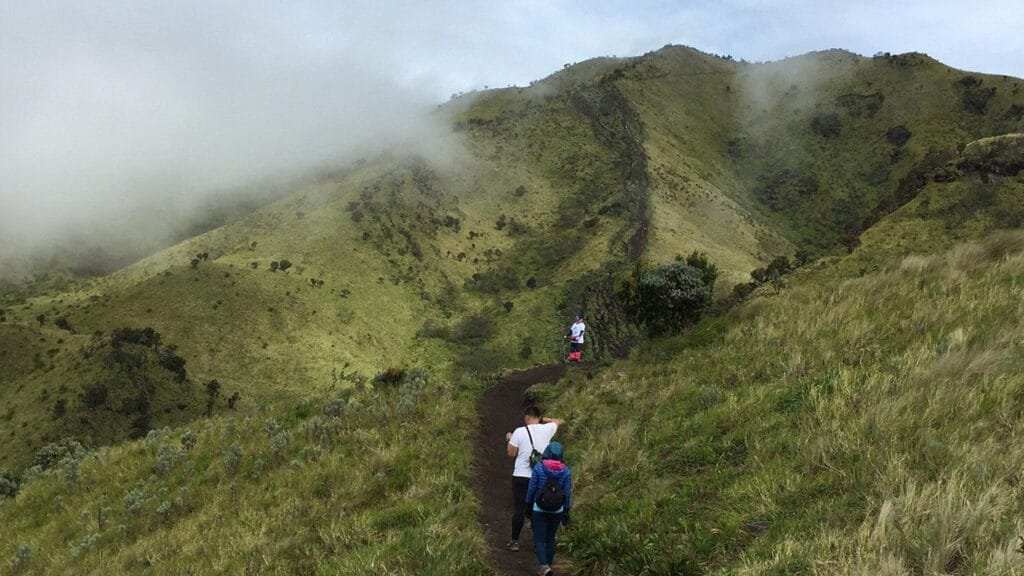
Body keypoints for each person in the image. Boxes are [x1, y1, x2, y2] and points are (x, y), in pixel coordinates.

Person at [505, 406, 563, 552]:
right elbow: (559, 421)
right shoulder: (547, 429)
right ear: (539, 417)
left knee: (519, 509)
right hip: (540, 475)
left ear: (526, 418)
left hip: (520, 475)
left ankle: (514, 541)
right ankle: (540, 542)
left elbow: (511, 453)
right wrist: (544, 420)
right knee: (537, 509)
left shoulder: (519, 431)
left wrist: (510, 439)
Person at [525, 441, 572, 576]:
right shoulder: (566, 471)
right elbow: (567, 492)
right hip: (557, 509)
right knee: (550, 538)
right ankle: (548, 566)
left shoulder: (539, 468)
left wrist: (528, 504)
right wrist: (566, 509)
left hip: (539, 508)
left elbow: (532, 488)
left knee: (539, 538)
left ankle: (544, 567)